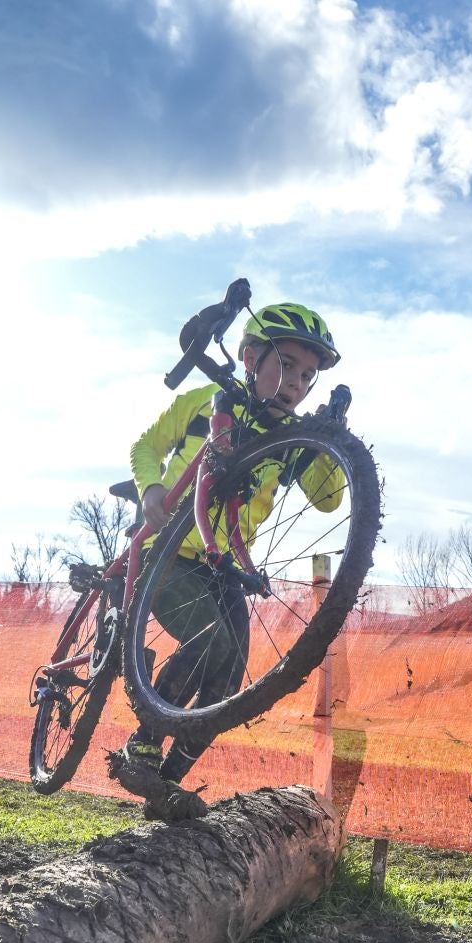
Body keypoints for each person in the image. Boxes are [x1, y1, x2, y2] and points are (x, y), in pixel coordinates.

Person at [110, 301, 344, 821]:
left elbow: (330, 500)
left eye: (308, 376)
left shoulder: (288, 440)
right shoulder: (202, 401)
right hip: (167, 550)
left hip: (222, 566)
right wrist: (151, 487)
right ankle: (142, 746)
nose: (296, 383)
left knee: (231, 672)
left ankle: (164, 783)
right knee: (209, 638)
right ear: (248, 357)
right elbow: (146, 445)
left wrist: (328, 436)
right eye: (285, 366)